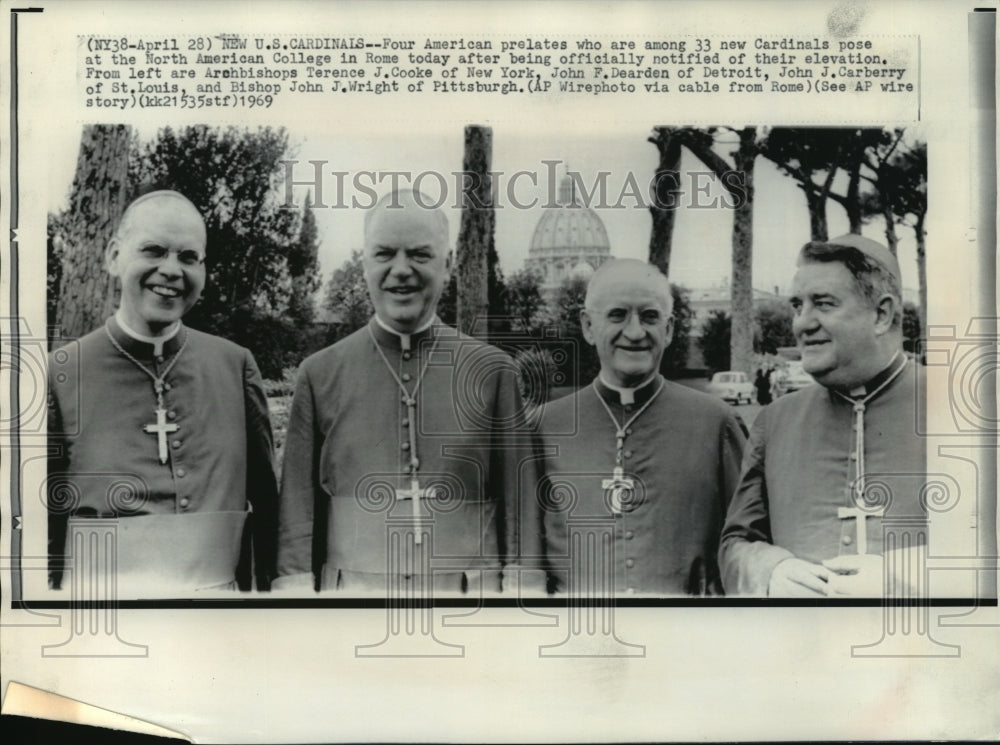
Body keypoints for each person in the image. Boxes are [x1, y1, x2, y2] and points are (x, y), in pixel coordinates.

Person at [275, 190, 543, 594]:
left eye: (420, 255)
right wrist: (296, 593)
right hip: (352, 606)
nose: (401, 270)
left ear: (448, 264)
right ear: (364, 261)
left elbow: (519, 504)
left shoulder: (492, 372)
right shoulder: (320, 374)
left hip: (468, 605)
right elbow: (297, 509)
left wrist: (523, 593)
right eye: (384, 254)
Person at [47, 190, 279, 594]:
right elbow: (40, 530)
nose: (171, 270)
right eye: (153, 251)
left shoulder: (235, 366)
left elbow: (267, 509)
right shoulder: (59, 374)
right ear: (114, 256)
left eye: (189, 257)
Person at [719, 234, 925, 597]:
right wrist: (770, 571)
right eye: (798, 306)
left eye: (823, 304)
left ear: (882, 314)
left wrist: (910, 576)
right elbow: (736, 543)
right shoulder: (776, 420)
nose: (801, 323)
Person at [537, 259, 747, 595]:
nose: (635, 333)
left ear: (670, 328)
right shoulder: (543, 427)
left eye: (650, 316)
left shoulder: (716, 423)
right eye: (617, 315)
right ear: (588, 326)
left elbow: (745, 543)